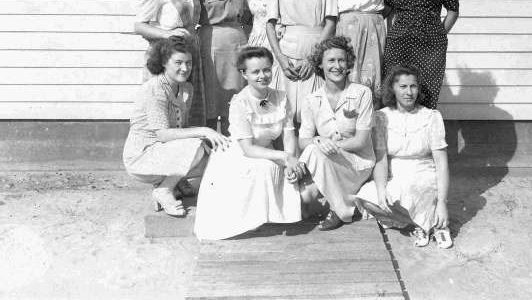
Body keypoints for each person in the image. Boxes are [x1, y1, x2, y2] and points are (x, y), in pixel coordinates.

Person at [194, 47, 307, 240]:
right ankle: (255, 219)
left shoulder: (281, 97)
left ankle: (276, 215)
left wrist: (290, 159)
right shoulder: (240, 103)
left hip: (268, 152)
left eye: (267, 69)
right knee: (264, 168)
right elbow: (247, 148)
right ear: (243, 74)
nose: (263, 75)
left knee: (293, 178)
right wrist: (284, 157)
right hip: (239, 155)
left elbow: (289, 135)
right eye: (255, 71)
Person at [123, 38, 229, 218]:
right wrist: (204, 130)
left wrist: (207, 141)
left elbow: (181, 128)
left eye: (188, 63)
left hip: (163, 150)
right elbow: (163, 135)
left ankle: (175, 180)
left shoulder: (186, 88)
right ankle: (164, 189)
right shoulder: (154, 89)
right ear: (164, 63)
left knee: (214, 159)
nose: (185, 68)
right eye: (178, 63)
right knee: (196, 146)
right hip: (142, 155)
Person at [354, 65, 452, 248]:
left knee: (413, 187)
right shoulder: (381, 117)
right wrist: (381, 189)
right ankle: (425, 223)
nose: (409, 92)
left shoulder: (431, 117)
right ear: (393, 89)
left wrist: (443, 203)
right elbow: (381, 158)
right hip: (395, 172)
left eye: (413, 86)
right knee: (367, 198)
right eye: (403, 87)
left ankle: (436, 220)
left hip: (424, 172)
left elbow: (442, 164)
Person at [298, 37, 375, 231]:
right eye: (331, 61)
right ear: (320, 65)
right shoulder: (311, 100)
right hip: (328, 160)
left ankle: (341, 210)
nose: (337, 66)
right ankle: (341, 196)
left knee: (314, 152)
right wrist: (318, 140)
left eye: (342, 60)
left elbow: (361, 141)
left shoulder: (362, 93)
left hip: (359, 163)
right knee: (306, 194)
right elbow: (303, 141)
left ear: (348, 63)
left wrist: (328, 145)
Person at [266, 0, 338, 124]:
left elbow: (331, 21)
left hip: (316, 54)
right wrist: (280, 59)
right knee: (285, 114)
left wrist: (313, 58)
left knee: (313, 116)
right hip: (287, 56)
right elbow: (270, 25)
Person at [134, 0, 205, 125]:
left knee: (183, 109)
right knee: (161, 110)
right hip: (165, 56)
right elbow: (139, 26)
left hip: (186, 55)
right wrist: (167, 34)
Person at [189, 0, 252, 134]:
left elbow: (250, 17)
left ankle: (231, 150)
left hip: (239, 42)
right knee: (210, 99)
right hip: (210, 42)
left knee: (233, 102)